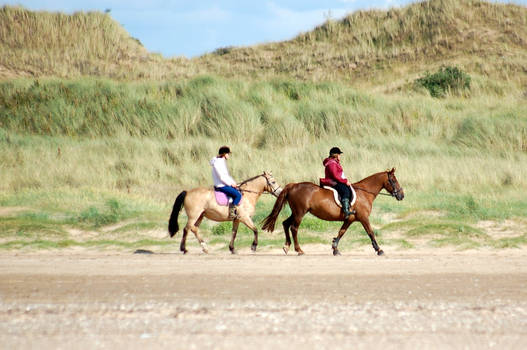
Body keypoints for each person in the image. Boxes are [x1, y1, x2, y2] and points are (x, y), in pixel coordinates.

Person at [320, 147, 354, 219]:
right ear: (335, 155)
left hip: (334, 181)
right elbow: (335, 176)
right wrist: (345, 181)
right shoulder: (332, 163)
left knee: (346, 188)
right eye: (339, 154)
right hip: (332, 182)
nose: (340, 156)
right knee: (345, 191)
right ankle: (346, 211)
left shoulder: (333, 162)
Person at [210, 146, 242, 219]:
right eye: (228, 154)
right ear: (224, 154)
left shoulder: (221, 161)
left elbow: (227, 176)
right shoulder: (218, 163)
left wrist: (235, 183)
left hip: (224, 184)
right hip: (221, 185)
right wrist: (231, 184)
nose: (228, 155)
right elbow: (222, 177)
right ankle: (231, 214)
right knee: (238, 195)